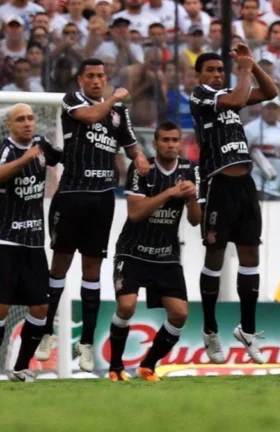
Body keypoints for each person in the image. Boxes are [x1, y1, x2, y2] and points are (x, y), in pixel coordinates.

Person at [36, 58, 150, 372]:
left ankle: (85, 342)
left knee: (92, 271)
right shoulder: (74, 101)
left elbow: (131, 147)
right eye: (92, 76)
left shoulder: (120, 114)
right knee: (59, 265)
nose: (98, 80)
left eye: (102, 76)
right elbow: (89, 115)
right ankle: (46, 331)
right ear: (81, 79)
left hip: (102, 198)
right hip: (71, 194)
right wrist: (113, 98)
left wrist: (139, 158)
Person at [190, 46, 279, 364]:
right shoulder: (201, 96)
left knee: (250, 254)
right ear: (198, 75)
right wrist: (242, 72)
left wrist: (252, 65)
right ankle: (210, 328)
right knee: (215, 255)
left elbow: (271, 91)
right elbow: (238, 100)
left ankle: (248, 330)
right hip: (218, 182)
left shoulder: (231, 89)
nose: (216, 75)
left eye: (219, 70)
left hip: (245, 184)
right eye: (210, 70)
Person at [107, 121, 202, 382]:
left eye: (175, 140)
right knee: (126, 306)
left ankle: (148, 365)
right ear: (156, 143)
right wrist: (170, 192)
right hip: (132, 251)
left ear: (181, 143)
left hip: (165, 255)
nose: (171, 145)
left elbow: (195, 220)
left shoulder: (190, 171)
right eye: (165, 140)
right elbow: (135, 213)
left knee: (180, 313)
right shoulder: (141, 169)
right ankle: (115, 367)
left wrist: (192, 197)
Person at [0, 104, 62, 383]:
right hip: (4, 239)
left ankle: (18, 368)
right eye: (20, 119)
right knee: (1, 306)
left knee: (40, 308)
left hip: (33, 242)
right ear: (9, 125)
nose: (27, 123)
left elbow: (61, 157)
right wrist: (25, 158)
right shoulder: (7, 149)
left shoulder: (41, 144)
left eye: (30, 118)